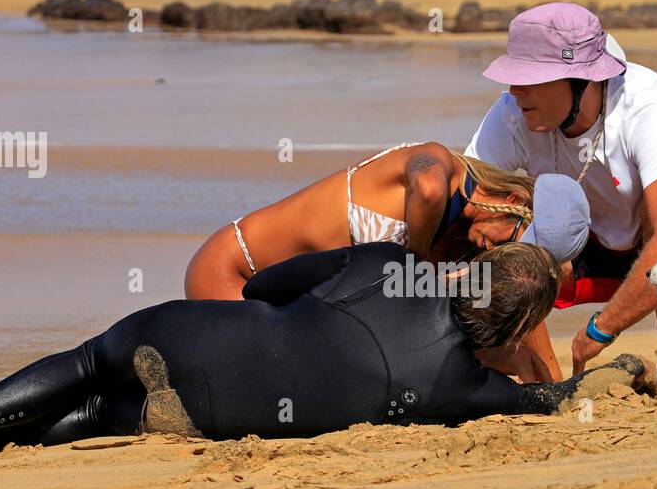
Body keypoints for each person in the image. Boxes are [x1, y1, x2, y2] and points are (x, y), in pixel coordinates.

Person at [0, 242, 647, 457]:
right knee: (100, 413)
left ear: (471, 268)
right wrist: (616, 371)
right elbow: (547, 401)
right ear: (512, 329)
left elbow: (267, 284)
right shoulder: (458, 390)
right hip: (203, 417)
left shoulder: (387, 266)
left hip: (188, 335)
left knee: (91, 363)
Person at [465, 2, 657, 392]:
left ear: (582, 79)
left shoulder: (648, 104)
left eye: (530, 78)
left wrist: (601, 330)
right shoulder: (511, 115)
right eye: (514, 75)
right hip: (607, 248)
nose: (515, 90)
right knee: (497, 227)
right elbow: (467, 209)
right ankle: (546, 379)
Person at [185, 141, 591, 381]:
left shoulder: (469, 246)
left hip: (292, 318)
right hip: (233, 274)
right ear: (515, 200)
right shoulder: (440, 166)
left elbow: (517, 308)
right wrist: (413, 268)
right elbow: (427, 188)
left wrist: (546, 379)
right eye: (517, 240)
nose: (501, 255)